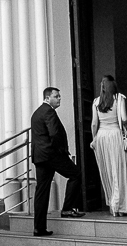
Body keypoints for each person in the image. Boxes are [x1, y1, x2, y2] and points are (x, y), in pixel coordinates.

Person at [31, 87, 84, 237]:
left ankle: (39, 228)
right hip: (51, 155)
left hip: (40, 157)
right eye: (56, 96)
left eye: (59, 96)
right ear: (47, 98)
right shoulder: (49, 112)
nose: (59, 98)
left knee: (42, 191)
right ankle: (67, 209)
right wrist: (61, 151)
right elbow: (54, 133)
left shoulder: (37, 112)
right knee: (76, 174)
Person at [90, 75, 127, 216]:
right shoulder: (119, 98)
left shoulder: (96, 102)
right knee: (119, 170)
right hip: (115, 135)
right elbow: (124, 118)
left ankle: (113, 205)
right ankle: (120, 206)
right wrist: (124, 125)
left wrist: (94, 139)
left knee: (107, 171)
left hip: (101, 137)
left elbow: (94, 123)